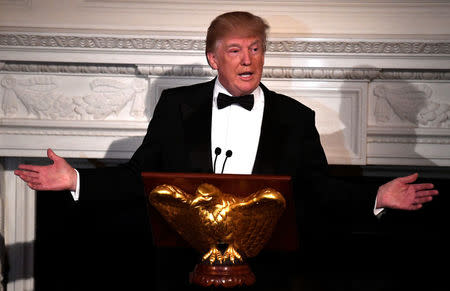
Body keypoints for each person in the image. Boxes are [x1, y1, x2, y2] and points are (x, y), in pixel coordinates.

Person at [15, 11, 438, 291]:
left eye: (255, 48)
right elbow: (139, 177)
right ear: (213, 59)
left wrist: (376, 196)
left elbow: (316, 187)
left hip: (266, 274)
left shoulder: (295, 117)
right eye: (235, 49)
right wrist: (76, 179)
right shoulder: (176, 106)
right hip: (184, 270)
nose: (248, 59)